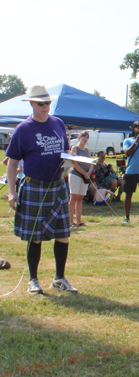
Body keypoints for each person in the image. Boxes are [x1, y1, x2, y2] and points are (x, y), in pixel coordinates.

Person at [6, 85, 77, 294]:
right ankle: (33, 280)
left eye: (47, 103)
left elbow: (65, 150)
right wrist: (12, 191)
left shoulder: (58, 123)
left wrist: (70, 160)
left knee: (63, 233)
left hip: (58, 185)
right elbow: (12, 163)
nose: (45, 107)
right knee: (34, 236)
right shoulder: (23, 129)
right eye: (41, 104)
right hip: (34, 186)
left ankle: (59, 278)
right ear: (32, 104)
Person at [68, 131, 93, 227]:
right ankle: (70, 220)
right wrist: (84, 173)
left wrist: (89, 172)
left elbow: (91, 162)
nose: (85, 139)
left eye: (86, 137)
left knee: (80, 197)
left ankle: (79, 220)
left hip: (85, 176)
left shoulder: (87, 150)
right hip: (76, 175)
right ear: (79, 137)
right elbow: (74, 163)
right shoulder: (74, 148)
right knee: (73, 197)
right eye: (83, 136)